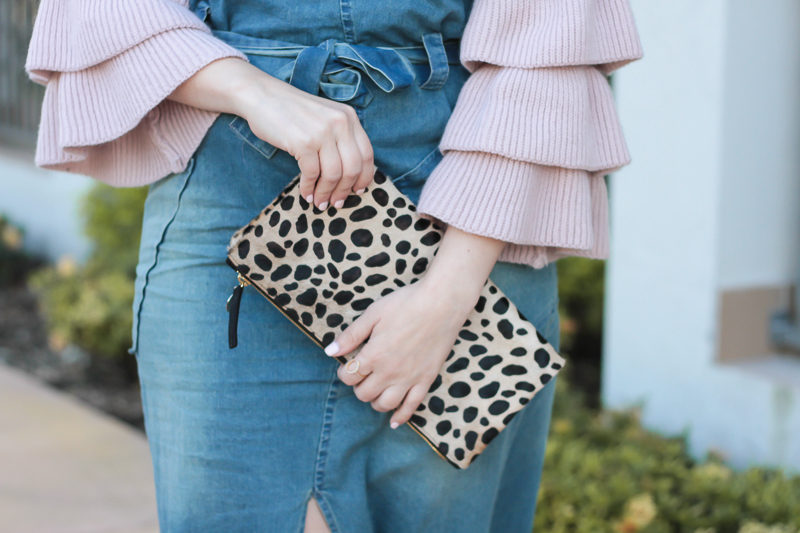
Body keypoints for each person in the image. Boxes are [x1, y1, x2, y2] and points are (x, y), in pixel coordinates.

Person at [25, 0, 643, 531]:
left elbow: (550, 37)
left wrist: (444, 301)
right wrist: (250, 90)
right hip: (227, 198)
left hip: (477, 209)